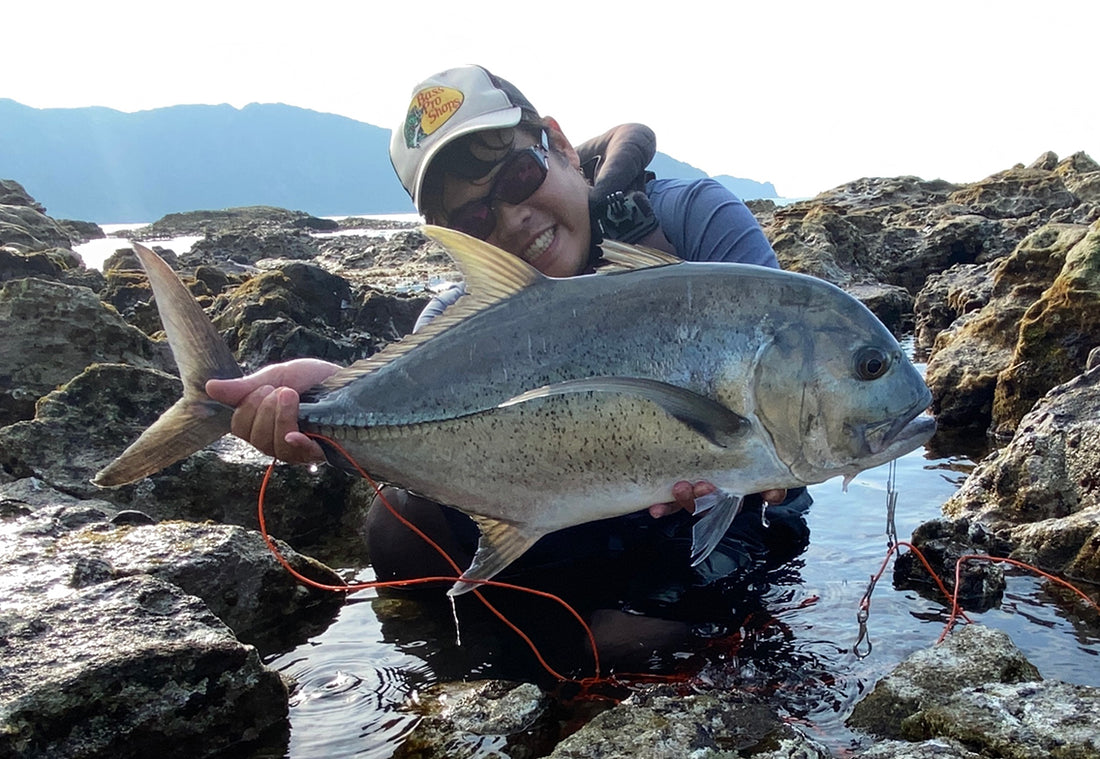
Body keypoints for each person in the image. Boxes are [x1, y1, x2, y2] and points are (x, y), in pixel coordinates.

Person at [206, 66, 811, 635]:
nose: (513, 218)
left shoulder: (692, 223)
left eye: (519, 176)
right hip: (568, 514)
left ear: (560, 144)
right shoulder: (454, 319)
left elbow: (795, 383)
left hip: (722, 514)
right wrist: (325, 400)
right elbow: (420, 423)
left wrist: (773, 469)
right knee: (400, 523)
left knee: (647, 638)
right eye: (474, 217)